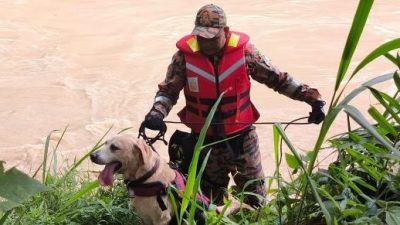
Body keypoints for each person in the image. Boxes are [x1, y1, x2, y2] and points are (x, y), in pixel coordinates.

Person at [140, 4, 325, 207]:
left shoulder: (246, 53)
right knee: (208, 203)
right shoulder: (183, 57)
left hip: (243, 141)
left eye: (211, 37)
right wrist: (156, 113)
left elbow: (279, 80)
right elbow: (168, 91)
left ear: (225, 31)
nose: (205, 42)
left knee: (255, 199)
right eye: (200, 37)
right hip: (205, 142)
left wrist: (313, 100)